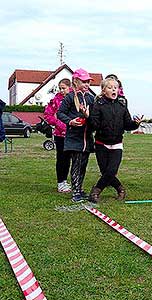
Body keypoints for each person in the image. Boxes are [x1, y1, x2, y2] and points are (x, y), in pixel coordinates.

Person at [87, 77, 142, 203]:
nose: (113, 90)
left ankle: (96, 191)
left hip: (117, 144)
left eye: (115, 87)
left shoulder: (122, 105)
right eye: (110, 87)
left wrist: (136, 124)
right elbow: (94, 125)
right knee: (105, 171)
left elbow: (128, 124)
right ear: (103, 90)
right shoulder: (98, 105)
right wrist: (87, 116)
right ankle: (120, 189)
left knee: (111, 170)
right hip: (101, 143)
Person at [57, 68, 95, 203]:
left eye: (88, 82)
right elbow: (60, 113)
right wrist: (70, 121)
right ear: (76, 82)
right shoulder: (69, 97)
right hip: (74, 138)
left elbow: (94, 116)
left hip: (87, 138)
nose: (86, 85)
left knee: (83, 165)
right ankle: (76, 191)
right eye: (84, 82)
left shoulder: (91, 98)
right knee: (76, 164)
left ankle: (79, 188)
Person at [44, 78, 72, 193]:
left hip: (71, 134)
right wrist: (57, 123)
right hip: (59, 135)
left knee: (68, 159)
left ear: (69, 88)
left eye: (63, 88)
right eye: (60, 88)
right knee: (61, 159)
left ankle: (65, 181)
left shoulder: (73, 99)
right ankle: (60, 182)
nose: (61, 90)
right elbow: (48, 115)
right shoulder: (55, 101)